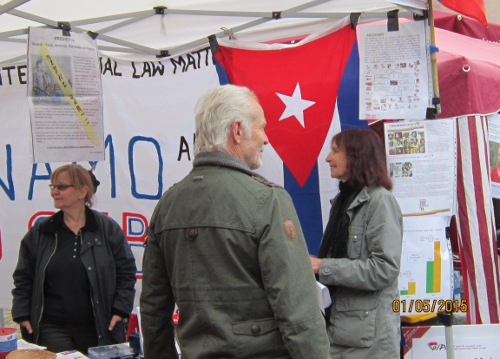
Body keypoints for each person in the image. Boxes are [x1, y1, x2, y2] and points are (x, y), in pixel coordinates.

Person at [140, 85, 330, 359]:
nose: (266, 138)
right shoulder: (267, 200)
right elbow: (298, 311)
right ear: (237, 130)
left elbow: (154, 307)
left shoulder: (168, 204)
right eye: (262, 127)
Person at [11, 164, 137, 354]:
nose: (55, 192)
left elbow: (126, 272)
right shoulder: (42, 232)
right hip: (51, 327)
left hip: (99, 326)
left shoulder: (107, 229)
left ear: (82, 191)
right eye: (52, 186)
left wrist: (120, 309)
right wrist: (22, 313)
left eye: (61, 187)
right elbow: (23, 276)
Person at [310, 128, 403, 359]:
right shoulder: (343, 201)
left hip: (368, 343)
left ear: (356, 156)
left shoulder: (380, 201)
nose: (327, 158)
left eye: (335, 151)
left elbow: (384, 269)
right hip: (341, 333)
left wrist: (323, 267)